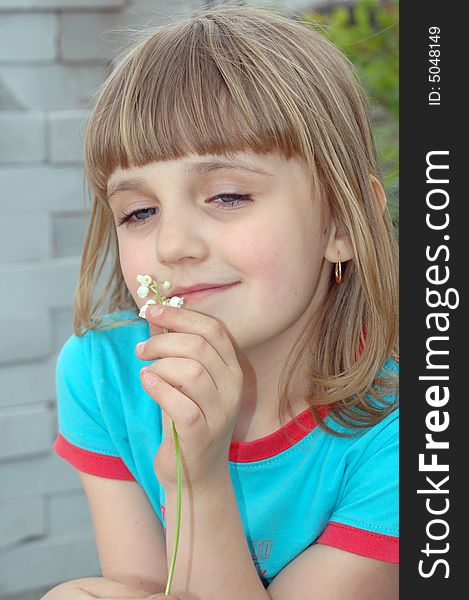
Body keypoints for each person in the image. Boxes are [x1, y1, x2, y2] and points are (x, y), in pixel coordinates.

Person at [44, 4, 399, 599]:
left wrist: (196, 480)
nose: (172, 245)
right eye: (139, 212)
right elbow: (144, 588)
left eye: (228, 195)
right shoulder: (103, 373)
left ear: (343, 220)